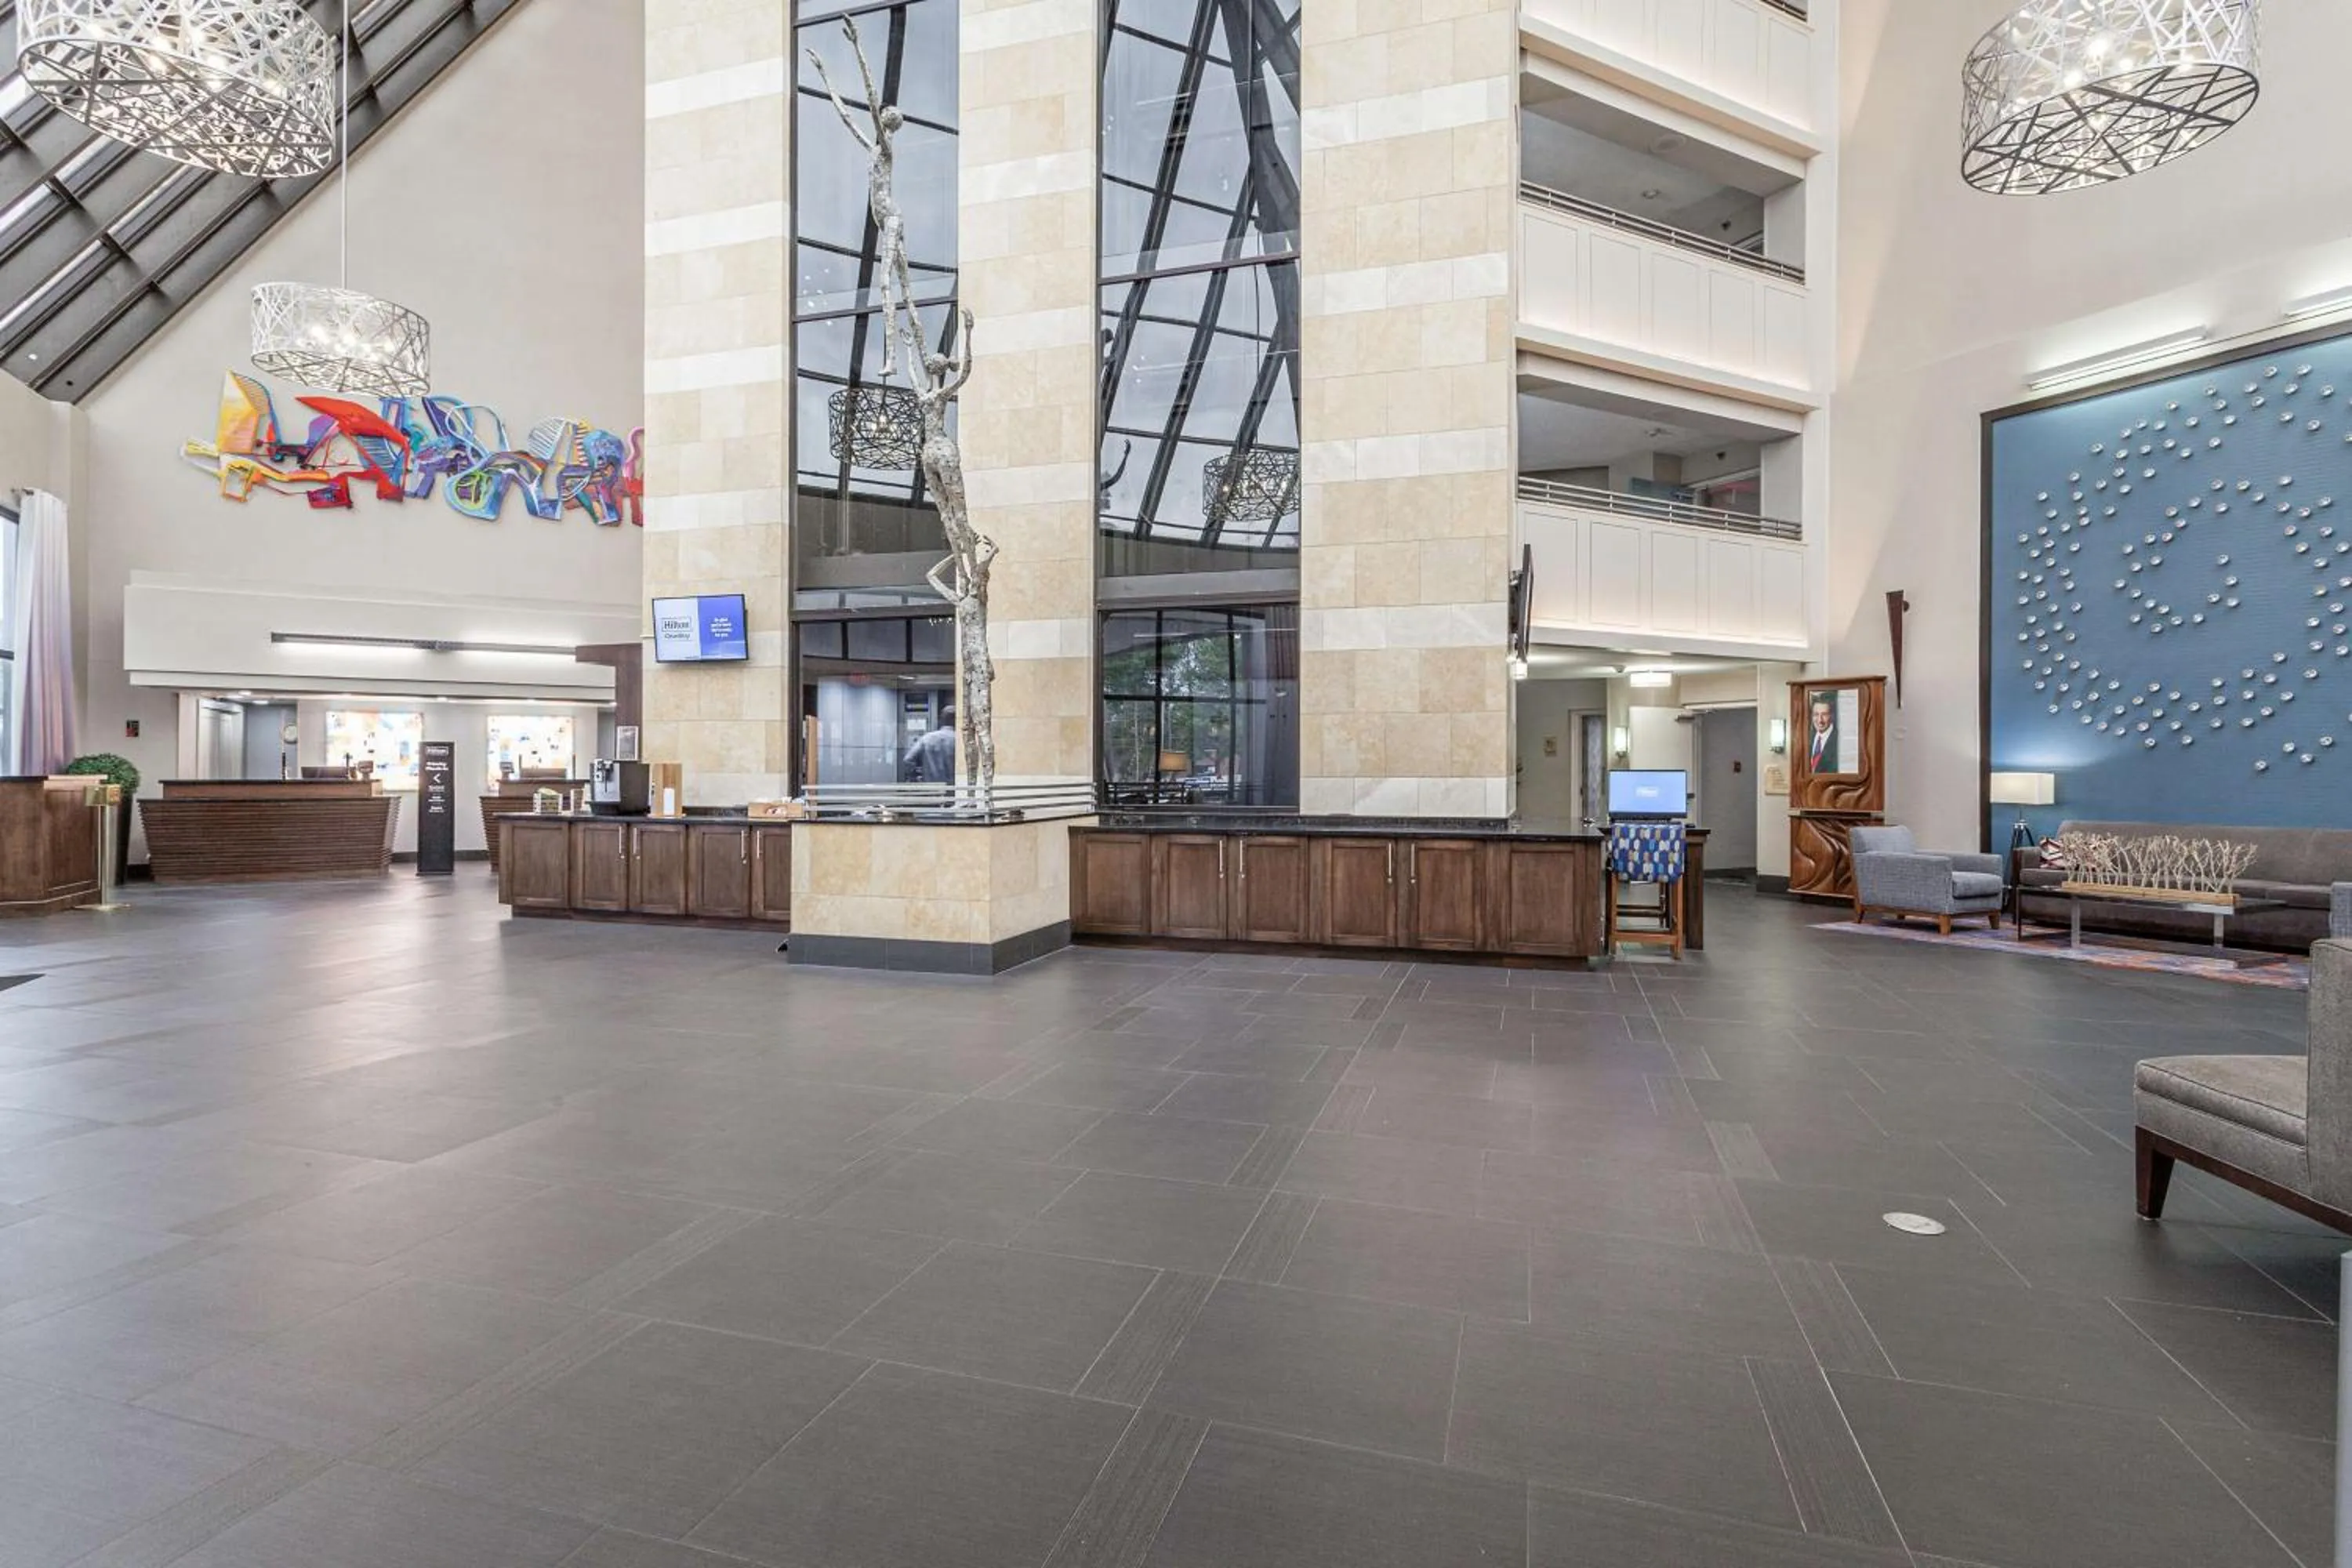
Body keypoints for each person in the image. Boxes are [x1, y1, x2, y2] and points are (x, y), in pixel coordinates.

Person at [1806, 694, 1840, 774]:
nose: (1820, 720)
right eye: (1816, 714)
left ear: (1831, 716)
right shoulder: (1807, 737)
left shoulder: (1839, 739)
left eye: (1824, 714)